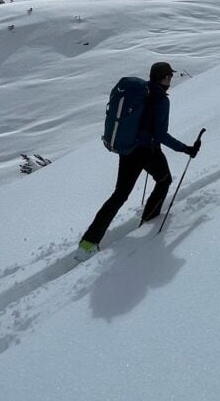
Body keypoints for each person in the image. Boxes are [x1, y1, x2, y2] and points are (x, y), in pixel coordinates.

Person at [77, 62, 200, 259]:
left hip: (128, 149)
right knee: (164, 180)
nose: (171, 80)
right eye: (169, 76)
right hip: (147, 151)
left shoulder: (142, 91)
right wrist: (186, 149)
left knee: (120, 194)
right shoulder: (160, 99)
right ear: (165, 78)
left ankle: (88, 242)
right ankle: (149, 220)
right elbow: (160, 135)